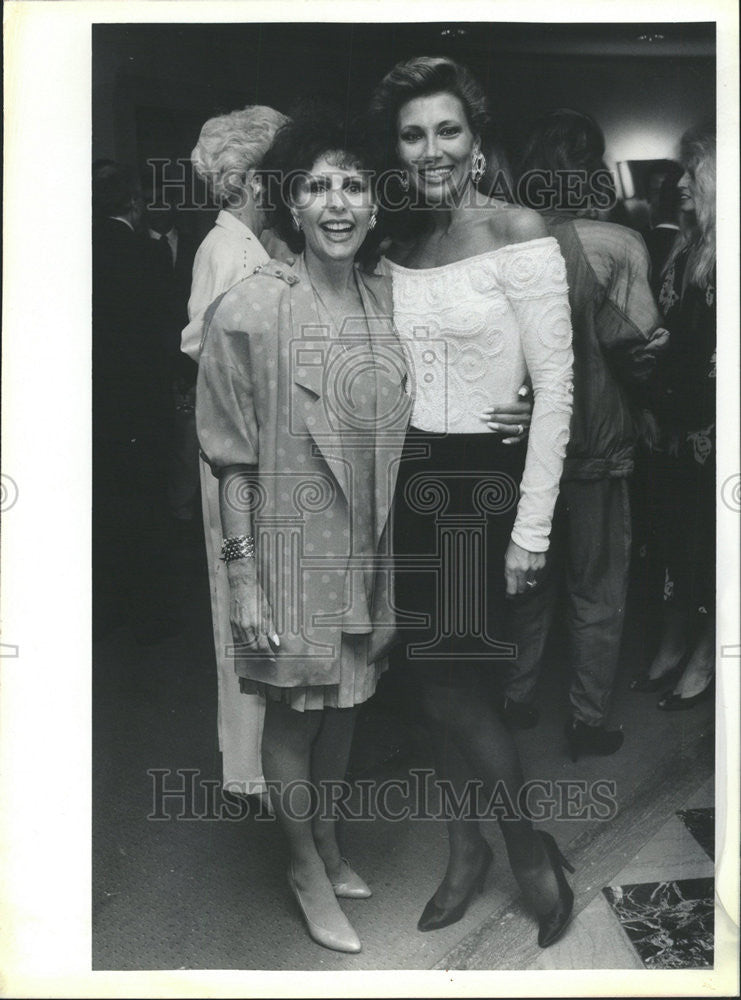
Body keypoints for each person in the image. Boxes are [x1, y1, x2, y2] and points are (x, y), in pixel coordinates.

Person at [367, 56, 575, 948]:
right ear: (399, 151)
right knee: (431, 689)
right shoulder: (401, 246)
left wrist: (529, 527)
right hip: (414, 481)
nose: (431, 148)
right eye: (413, 135)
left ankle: (526, 853)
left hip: (480, 488)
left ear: (476, 138)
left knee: (455, 692)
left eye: (446, 129)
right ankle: (465, 854)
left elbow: (556, 385)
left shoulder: (516, 228)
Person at [196, 112, 410, 954]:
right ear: (289, 200)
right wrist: (245, 578)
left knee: (347, 701)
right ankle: (301, 863)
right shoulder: (249, 307)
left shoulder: (383, 297)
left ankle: (326, 837)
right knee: (293, 715)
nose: (336, 203)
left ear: (374, 202)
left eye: (353, 184)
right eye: (316, 184)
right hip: (284, 547)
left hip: (365, 537)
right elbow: (230, 461)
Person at [499, 108, 669, 760]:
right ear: (592, 167)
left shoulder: (505, 243)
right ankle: (586, 718)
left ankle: (515, 699)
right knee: (597, 583)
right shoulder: (618, 245)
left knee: (528, 577)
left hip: (524, 444)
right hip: (598, 443)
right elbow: (641, 347)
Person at [182, 105, 288, 795]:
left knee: (269, 594)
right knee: (241, 595)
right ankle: (249, 767)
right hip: (235, 447)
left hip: (264, 440)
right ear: (251, 177)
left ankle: (276, 752)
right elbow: (203, 340)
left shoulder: (257, 243)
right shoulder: (227, 248)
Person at [633, 122, 716, 710]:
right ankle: (675, 639)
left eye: (694, 171)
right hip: (671, 423)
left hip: (714, 431)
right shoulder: (687, 245)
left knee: (709, 547)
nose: (681, 183)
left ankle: (706, 653)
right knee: (671, 542)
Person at [92, 162, 181, 644]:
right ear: (133, 202)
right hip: (141, 404)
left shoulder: (73, 246)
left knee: (103, 503)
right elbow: (165, 331)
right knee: (146, 505)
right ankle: (145, 616)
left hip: (96, 402)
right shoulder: (144, 255)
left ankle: (106, 608)